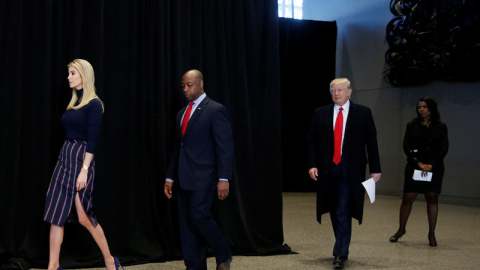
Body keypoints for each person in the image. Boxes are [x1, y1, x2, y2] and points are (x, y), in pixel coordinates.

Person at [43, 59, 123, 270]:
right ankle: (53, 266)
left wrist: (84, 170)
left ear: (83, 76)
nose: (68, 77)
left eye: (72, 73)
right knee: (56, 213)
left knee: (83, 216)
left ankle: (109, 260)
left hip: (81, 158)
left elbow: (93, 139)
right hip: (65, 155)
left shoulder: (94, 104)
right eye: (69, 73)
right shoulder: (74, 103)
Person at [307, 78, 381, 270]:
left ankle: (341, 252)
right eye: (333, 90)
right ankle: (340, 246)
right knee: (334, 208)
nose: (336, 93)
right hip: (328, 169)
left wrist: (375, 168)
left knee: (343, 209)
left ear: (349, 92)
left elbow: (371, 142)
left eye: (340, 90)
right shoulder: (320, 113)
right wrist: (312, 165)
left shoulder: (363, 113)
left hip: (351, 170)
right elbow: (312, 141)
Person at [164, 69, 233, 270]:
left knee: (199, 216)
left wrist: (224, 178)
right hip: (183, 177)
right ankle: (194, 266)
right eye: (183, 85)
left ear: (201, 84)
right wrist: (169, 177)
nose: (185, 89)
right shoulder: (181, 113)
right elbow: (178, 147)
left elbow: (225, 147)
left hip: (205, 177)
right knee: (186, 225)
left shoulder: (215, 110)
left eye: (190, 85)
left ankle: (223, 253)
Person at [389, 96, 448, 247]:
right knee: (408, 197)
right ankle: (401, 229)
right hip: (415, 166)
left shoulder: (441, 127)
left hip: (434, 167)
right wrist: (419, 163)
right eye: (419, 107)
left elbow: (443, 148)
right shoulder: (412, 125)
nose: (421, 109)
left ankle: (431, 233)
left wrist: (431, 164)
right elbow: (406, 146)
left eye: (424, 107)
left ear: (431, 109)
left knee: (432, 198)